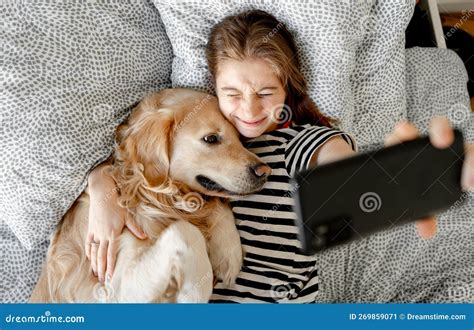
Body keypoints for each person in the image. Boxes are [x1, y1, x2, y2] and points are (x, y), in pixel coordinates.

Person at [85, 10, 474, 302]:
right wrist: (101, 185)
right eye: (232, 94)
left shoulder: (297, 142)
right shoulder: (202, 133)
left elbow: (342, 170)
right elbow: (142, 161)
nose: (250, 110)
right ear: (213, 90)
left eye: (266, 93)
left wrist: (416, 171)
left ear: (288, 90)